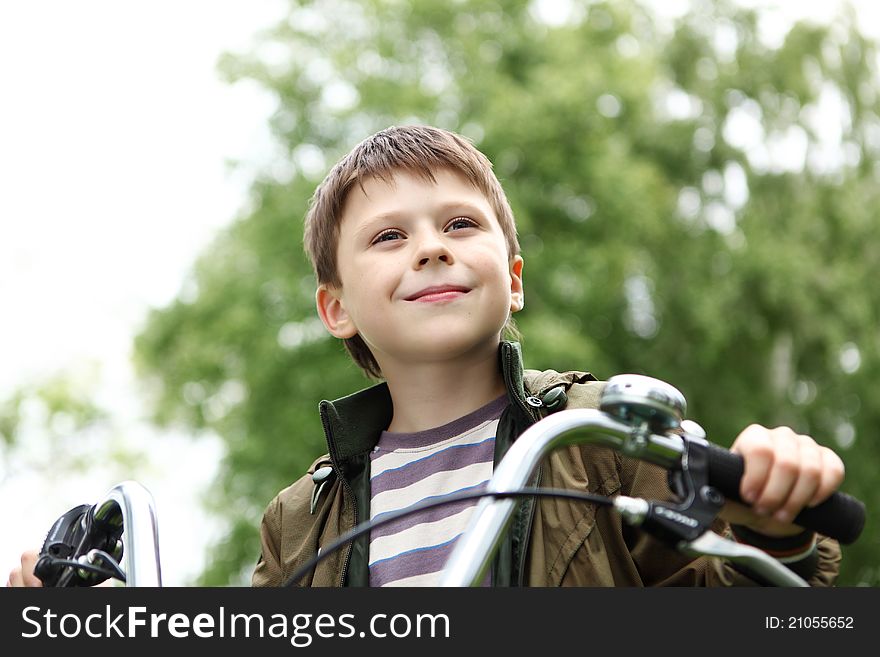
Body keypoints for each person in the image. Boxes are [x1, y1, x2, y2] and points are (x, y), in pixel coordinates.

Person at [8, 125, 845, 588]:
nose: (431, 250)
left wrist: (774, 525)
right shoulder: (302, 517)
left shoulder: (598, 436)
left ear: (512, 279)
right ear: (337, 308)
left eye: (459, 224)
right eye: (387, 237)